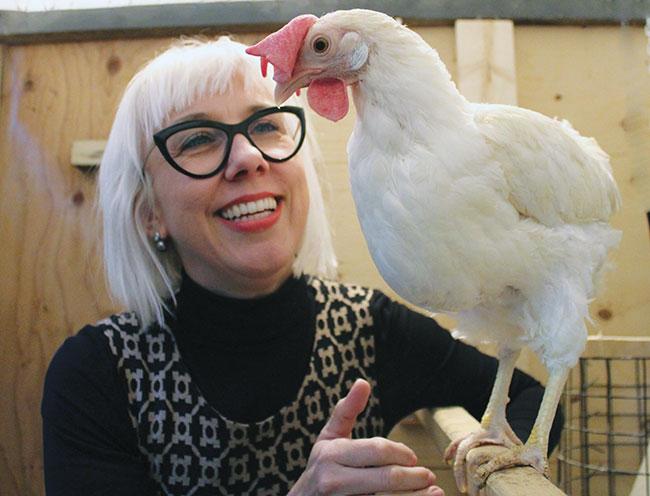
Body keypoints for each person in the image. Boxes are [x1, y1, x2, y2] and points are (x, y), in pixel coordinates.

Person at [41, 36, 562, 496]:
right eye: (198, 139)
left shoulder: (369, 328)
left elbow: (537, 402)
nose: (247, 157)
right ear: (150, 211)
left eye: (265, 125)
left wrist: (487, 466)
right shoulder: (97, 375)